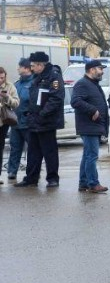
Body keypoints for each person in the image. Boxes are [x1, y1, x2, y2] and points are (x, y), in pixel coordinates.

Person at [14, 51, 64, 188]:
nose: (32, 68)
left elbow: (56, 99)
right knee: (33, 152)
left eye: (33, 66)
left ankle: (52, 178)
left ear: (41, 65)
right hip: (34, 121)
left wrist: (42, 114)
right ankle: (31, 178)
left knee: (49, 152)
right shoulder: (37, 77)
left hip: (46, 121)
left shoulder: (53, 77)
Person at [71, 59, 110, 193]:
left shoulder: (93, 84)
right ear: (92, 70)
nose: (102, 72)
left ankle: (83, 183)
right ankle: (93, 183)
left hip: (94, 126)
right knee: (92, 156)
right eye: (100, 69)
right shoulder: (83, 84)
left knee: (87, 155)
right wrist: (93, 110)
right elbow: (75, 101)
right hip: (89, 126)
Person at [6, 59, 34, 182]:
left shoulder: (34, 83)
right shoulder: (17, 84)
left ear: (26, 68)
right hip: (16, 123)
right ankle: (12, 171)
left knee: (32, 150)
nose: (17, 69)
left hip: (28, 123)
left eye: (19, 67)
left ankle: (32, 172)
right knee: (15, 148)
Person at [0, 66, 21, 185]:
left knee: (0, 149)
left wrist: (7, 97)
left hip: (3, 122)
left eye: (2, 78)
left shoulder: (10, 86)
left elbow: (16, 103)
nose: (0, 80)